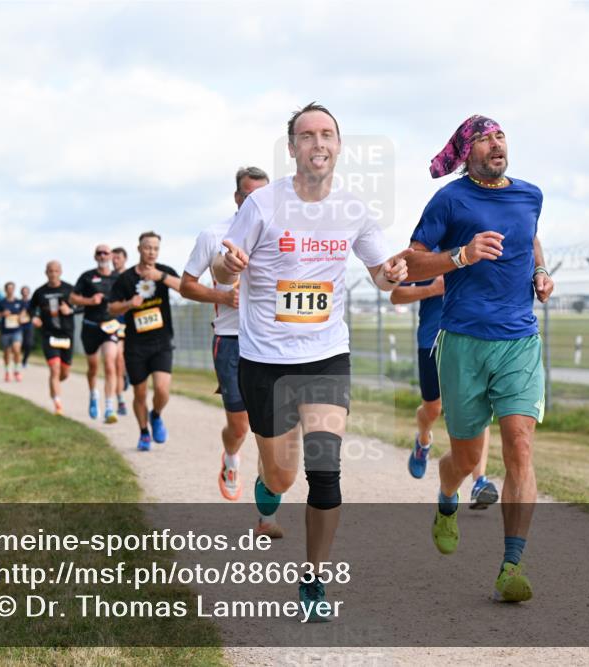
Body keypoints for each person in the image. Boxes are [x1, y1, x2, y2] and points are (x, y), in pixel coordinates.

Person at [213, 103, 408, 619]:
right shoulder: (262, 205)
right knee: (281, 476)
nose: (318, 142)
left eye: (327, 134)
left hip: (326, 355)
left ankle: (314, 579)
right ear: (293, 147)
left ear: (339, 146)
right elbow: (223, 267)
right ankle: (266, 484)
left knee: (325, 471)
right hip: (264, 359)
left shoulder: (354, 209)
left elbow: (382, 277)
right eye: (307, 135)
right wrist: (227, 263)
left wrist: (392, 271)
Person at [403, 114, 554, 603]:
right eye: (485, 137)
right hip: (463, 341)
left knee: (520, 444)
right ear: (467, 152)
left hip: (519, 339)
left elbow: (529, 235)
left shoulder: (530, 194)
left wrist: (542, 271)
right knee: (467, 459)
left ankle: (512, 564)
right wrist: (462, 255)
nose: (497, 142)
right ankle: (447, 498)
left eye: (501, 134)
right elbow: (412, 260)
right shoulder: (450, 199)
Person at [181, 166, 273, 509]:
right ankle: (231, 457)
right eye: (250, 197)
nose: (257, 204)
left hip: (269, 340)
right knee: (240, 427)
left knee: (270, 430)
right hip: (230, 338)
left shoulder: (279, 232)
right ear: (238, 199)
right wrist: (222, 297)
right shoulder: (213, 234)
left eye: (263, 197)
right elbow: (187, 285)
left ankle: (267, 511)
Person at [390, 274, 499, 509]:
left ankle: (479, 481)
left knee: (478, 407)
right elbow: (396, 295)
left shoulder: (478, 246)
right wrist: (432, 289)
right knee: (433, 409)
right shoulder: (427, 249)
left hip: (473, 340)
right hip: (433, 341)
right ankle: (423, 440)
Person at [109, 232, 180, 451]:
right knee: (139, 393)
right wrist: (129, 303)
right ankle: (143, 433)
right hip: (135, 345)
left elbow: (184, 287)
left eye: (155, 248)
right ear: (139, 249)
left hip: (161, 341)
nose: (151, 252)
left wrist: (162, 277)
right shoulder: (126, 279)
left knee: (162, 389)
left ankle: (156, 415)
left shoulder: (164, 272)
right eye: (147, 247)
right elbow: (111, 308)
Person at [71, 245, 122, 423]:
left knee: (110, 363)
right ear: (95, 256)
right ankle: (93, 395)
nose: (102, 255)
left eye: (105, 253)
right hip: (90, 326)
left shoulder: (118, 277)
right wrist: (89, 301)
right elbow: (72, 298)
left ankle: (109, 408)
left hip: (110, 326)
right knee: (93, 367)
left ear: (111, 256)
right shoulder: (86, 277)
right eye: (99, 253)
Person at [30, 261, 75, 415]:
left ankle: (54, 384)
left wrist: (70, 310)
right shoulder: (40, 292)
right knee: (54, 369)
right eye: (50, 271)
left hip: (67, 334)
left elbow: (82, 305)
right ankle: (58, 405)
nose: (53, 274)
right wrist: (34, 318)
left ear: (60, 272)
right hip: (49, 334)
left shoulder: (69, 289)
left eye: (56, 271)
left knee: (64, 373)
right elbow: (30, 309)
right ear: (46, 272)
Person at [111, 247, 130, 417]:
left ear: (125, 259)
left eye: (118, 257)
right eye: (113, 257)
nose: (114, 260)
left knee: (127, 361)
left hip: (133, 325)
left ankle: (126, 375)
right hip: (115, 325)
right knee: (118, 360)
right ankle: (120, 401)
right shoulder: (108, 279)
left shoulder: (132, 277)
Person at [0, 281, 27, 382]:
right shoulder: (1, 303)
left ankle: (17, 371)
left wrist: (21, 317)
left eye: (12, 288)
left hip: (16, 330)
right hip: (5, 331)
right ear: (6, 290)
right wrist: (2, 314)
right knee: (6, 353)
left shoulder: (19, 302)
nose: (10, 290)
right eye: (8, 288)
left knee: (17, 349)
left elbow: (24, 311)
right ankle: (7, 372)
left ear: (14, 289)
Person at [19, 285, 35, 368]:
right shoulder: (18, 302)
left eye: (26, 291)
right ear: (21, 293)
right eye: (23, 291)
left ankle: (24, 361)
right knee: (18, 344)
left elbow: (35, 313)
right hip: (19, 326)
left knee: (29, 344)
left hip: (29, 325)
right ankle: (17, 359)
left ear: (28, 292)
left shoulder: (32, 302)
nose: (25, 293)